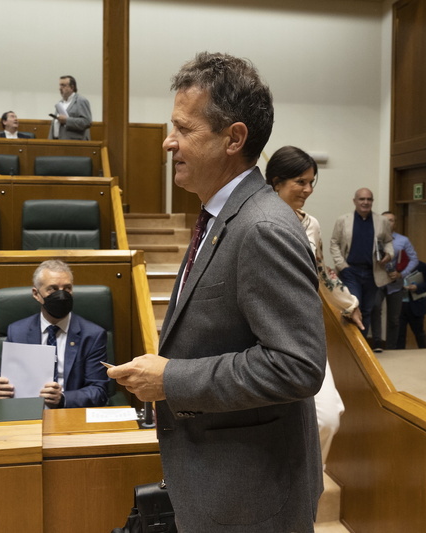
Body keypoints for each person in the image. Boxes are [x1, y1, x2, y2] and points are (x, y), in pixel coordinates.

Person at [108, 52, 327, 532]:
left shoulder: (263, 226)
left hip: (253, 499)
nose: (168, 143)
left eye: (184, 129)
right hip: (222, 485)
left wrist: (172, 379)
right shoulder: (219, 215)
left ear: (234, 138)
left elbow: (298, 365)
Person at [265, 145, 360, 466]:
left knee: (328, 418)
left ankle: (308, 495)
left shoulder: (312, 225)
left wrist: (349, 303)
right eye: (300, 182)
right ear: (276, 181)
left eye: (311, 182)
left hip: (305, 332)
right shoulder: (253, 220)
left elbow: (323, 273)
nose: (308, 190)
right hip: (262, 334)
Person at [0, 259, 109, 408]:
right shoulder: (17, 331)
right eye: (52, 289)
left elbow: (99, 391)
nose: (61, 295)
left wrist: (63, 398)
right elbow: (5, 381)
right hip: (27, 411)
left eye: (67, 289)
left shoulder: (92, 335)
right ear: (36, 294)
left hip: (70, 414)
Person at [330, 188, 394, 340]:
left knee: (366, 310)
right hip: (350, 271)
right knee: (353, 306)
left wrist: (389, 254)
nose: (365, 202)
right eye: (362, 199)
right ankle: (349, 346)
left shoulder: (382, 221)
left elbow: (388, 242)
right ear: (355, 201)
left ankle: (362, 348)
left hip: (373, 273)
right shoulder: (343, 220)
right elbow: (334, 243)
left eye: (369, 199)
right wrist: (342, 265)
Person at [371, 211, 418, 351]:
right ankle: (377, 343)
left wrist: (401, 274)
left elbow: (414, 259)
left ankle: (391, 347)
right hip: (377, 282)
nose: (388, 222)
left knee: (394, 318)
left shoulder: (403, 240)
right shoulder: (373, 238)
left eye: (391, 220)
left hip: (395, 284)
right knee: (375, 309)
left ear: (395, 223)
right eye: (385, 220)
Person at [48, 76, 92, 141]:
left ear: (72, 87)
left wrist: (67, 120)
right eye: (60, 85)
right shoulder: (60, 103)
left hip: (74, 143)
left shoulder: (81, 100)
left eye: (63, 85)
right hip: (57, 142)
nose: (60, 88)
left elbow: (87, 122)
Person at [398, 260, 426, 349]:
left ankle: (425, 354)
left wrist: (417, 287)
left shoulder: (422, 266)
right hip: (399, 305)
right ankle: (398, 357)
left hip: (416, 304)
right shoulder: (395, 265)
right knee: (399, 335)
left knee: (419, 333)